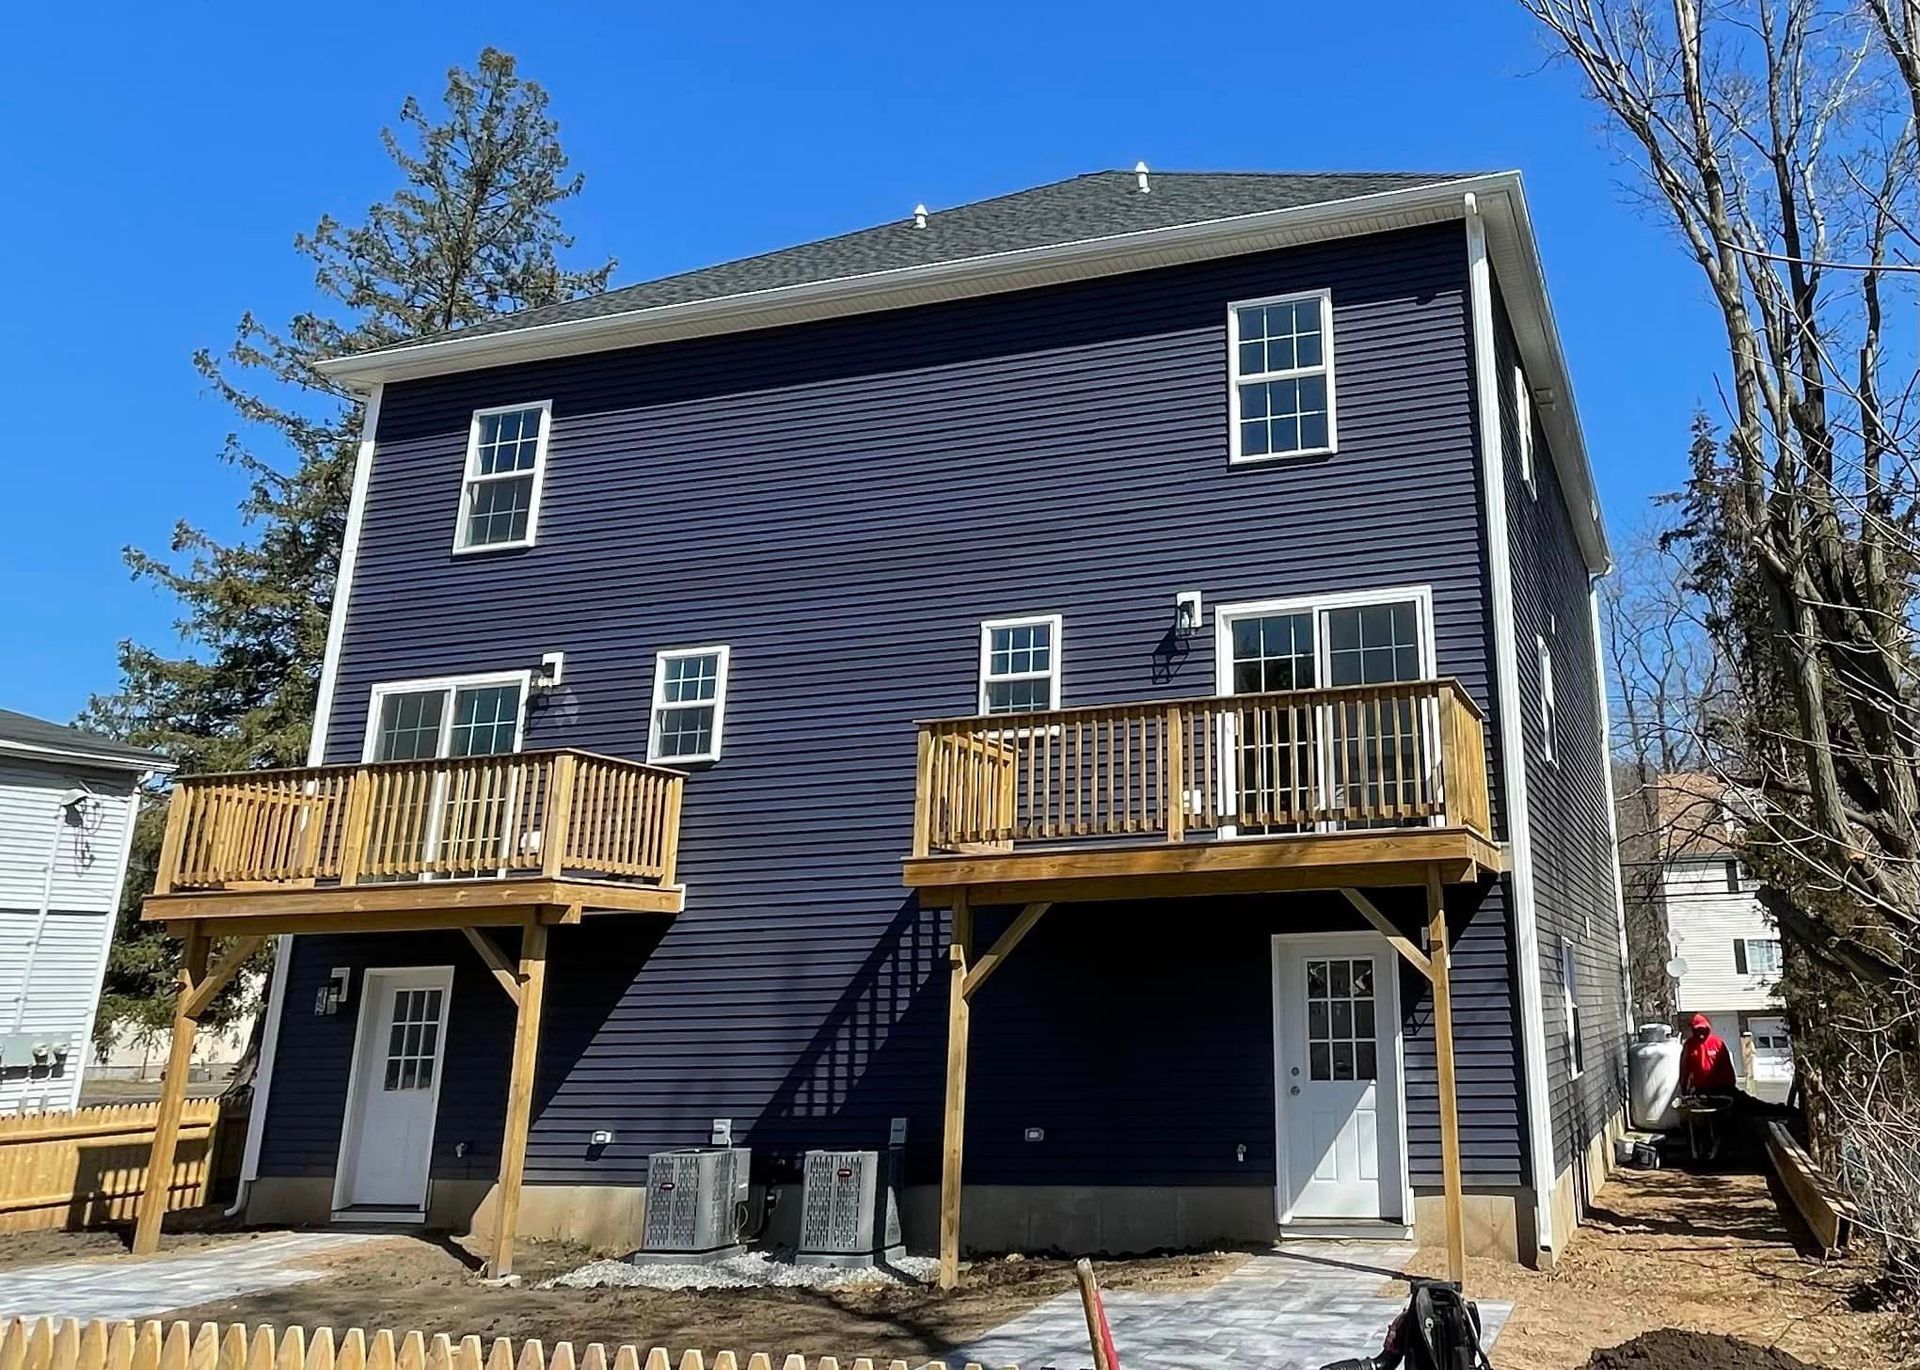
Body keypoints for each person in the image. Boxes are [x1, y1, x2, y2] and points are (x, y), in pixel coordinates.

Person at [1679, 1013, 1739, 1094]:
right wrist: (1684, 1086)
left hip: (1719, 1088)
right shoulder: (1689, 1045)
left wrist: (1731, 1084)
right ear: (1693, 1030)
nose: (1700, 1034)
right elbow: (1685, 1067)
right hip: (1700, 1088)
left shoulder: (1718, 1043)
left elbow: (1727, 1066)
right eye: (1697, 1030)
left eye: (1702, 1030)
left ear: (1707, 1028)